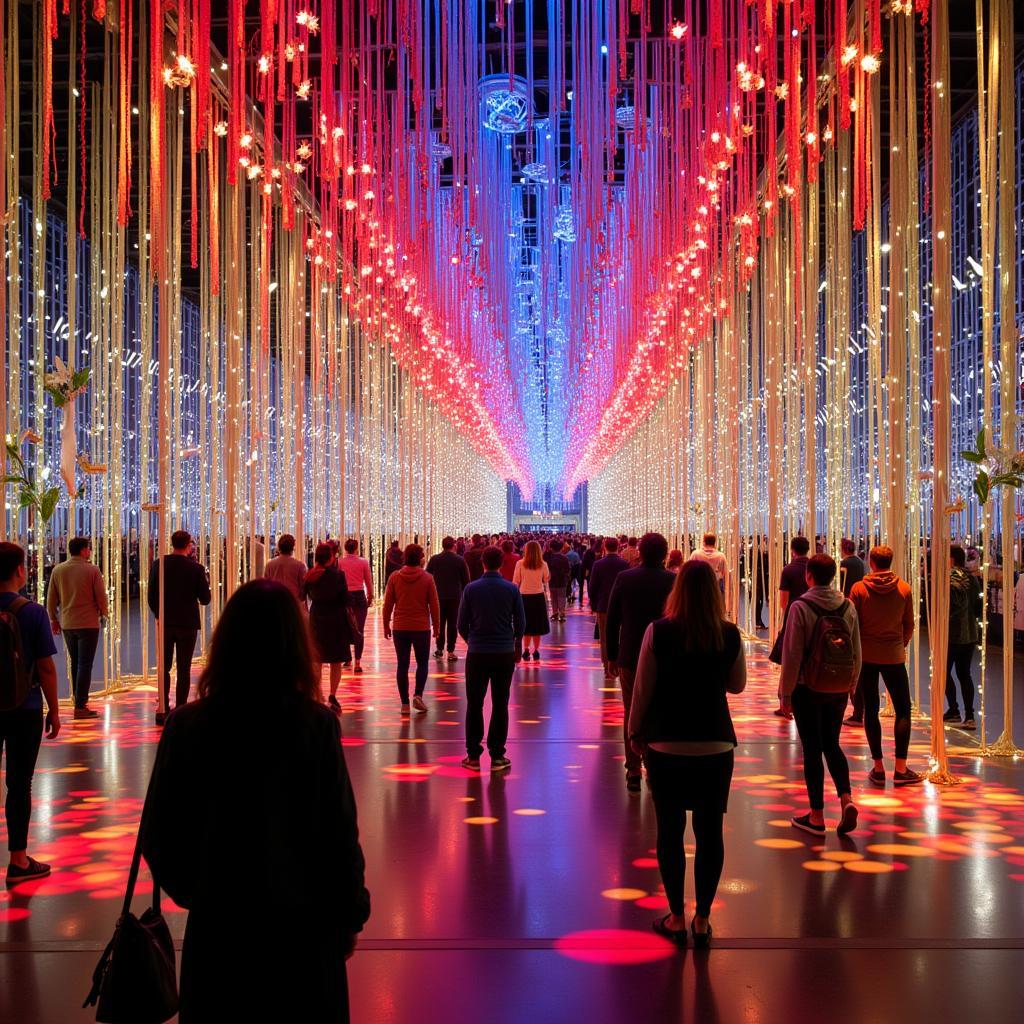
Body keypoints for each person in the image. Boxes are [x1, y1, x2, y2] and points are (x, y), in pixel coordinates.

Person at [142, 579, 370, 1022]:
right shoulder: (314, 724)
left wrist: (200, 890)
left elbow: (159, 831)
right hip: (304, 926)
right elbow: (339, 832)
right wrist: (349, 914)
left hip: (221, 927)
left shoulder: (187, 725)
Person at [628, 560, 746, 949]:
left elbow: (643, 687)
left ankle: (676, 915)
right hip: (715, 742)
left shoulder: (658, 632)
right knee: (710, 832)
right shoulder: (729, 634)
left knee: (670, 831)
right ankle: (704, 919)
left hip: (667, 741)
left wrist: (634, 732)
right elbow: (738, 686)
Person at [779, 554, 861, 836]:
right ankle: (846, 798)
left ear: (808, 576)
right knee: (832, 743)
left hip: (807, 686)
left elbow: (791, 654)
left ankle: (816, 816)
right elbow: (856, 651)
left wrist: (785, 694)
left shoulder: (800, 607)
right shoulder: (847, 605)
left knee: (812, 749)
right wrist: (851, 684)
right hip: (837, 686)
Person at [1, 542, 61, 885]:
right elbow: (46, 668)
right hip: (25, 707)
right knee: (19, 784)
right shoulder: (32, 611)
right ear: (21, 571)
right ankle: (18, 860)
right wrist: (54, 710)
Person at [606, 533, 675, 792]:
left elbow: (612, 621)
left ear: (639, 553)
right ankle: (656, 765)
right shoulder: (673, 580)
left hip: (631, 654)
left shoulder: (626, 578)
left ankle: (633, 768)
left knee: (631, 710)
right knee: (661, 708)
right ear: (665, 554)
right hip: (666, 655)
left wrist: (611, 656)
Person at [849, 546, 922, 785]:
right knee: (903, 710)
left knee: (871, 709)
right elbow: (909, 624)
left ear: (871, 562)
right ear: (891, 561)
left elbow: (853, 623)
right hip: (894, 656)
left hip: (867, 656)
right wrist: (900, 644)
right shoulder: (904, 588)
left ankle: (878, 767)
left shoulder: (858, 589)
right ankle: (901, 768)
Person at [457, 545, 526, 773]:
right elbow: (521, 623)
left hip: (477, 652)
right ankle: (497, 755)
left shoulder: (470, 589)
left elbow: (461, 624)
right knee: (500, 703)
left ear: (483, 563)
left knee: (474, 704)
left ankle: (473, 756)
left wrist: (472, 640)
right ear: (500, 564)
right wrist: (514, 643)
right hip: (503, 652)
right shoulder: (511, 590)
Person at [147, 530, 212, 726]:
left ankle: (163, 707)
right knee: (184, 668)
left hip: (166, 622)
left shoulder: (159, 565)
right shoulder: (196, 569)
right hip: (187, 624)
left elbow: (151, 595)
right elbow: (205, 599)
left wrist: (159, 613)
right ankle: (181, 708)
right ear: (189, 545)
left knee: (163, 668)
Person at [46, 535, 108, 720]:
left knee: (75, 662)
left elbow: (51, 599)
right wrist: (105, 613)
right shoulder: (92, 570)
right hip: (88, 623)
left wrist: (53, 619)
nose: (90, 551)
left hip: (67, 623)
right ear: (83, 550)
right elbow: (101, 597)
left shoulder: (59, 570)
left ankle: (78, 701)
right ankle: (81, 705)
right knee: (85, 664)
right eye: (88, 548)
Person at [382, 544, 441, 714]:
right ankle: (418, 695)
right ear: (421, 558)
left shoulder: (395, 577)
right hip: (421, 627)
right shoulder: (427, 578)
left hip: (400, 626)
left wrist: (386, 624)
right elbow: (434, 605)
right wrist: (436, 626)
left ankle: (404, 704)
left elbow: (388, 604)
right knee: (422, 663)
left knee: (402, 664)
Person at [302, 543, 352, 712]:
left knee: (317, 660)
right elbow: (346, 599)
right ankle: (332, 694)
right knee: (336, 661)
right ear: (331, 557)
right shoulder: (338, 575)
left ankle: (318, 693)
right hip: (336, 619)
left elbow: (302, 596)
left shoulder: (311, 575)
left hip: (317, 619)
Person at [769, 536, 812, 718]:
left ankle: (785, 702)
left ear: (792, 550)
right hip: (814, 617)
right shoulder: (814, 567)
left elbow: (783, 602)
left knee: (789, 658)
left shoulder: (788, 570)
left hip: (793, 617)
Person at [945, 544, 982, 729]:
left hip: (951, 634)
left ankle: (953, 709)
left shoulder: (948, 578)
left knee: (943, 673)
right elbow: (977, 607)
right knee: (964, 674)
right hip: (970, 634)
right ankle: (969, 715)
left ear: (951, 558)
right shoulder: (973, 579)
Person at [589, 537, 629, 677]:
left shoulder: (598, 564)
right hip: (622, 606)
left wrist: (593, 604)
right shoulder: (624, 564)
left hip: (603, 605)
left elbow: (592, 587)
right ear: (618, 546)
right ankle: (618, 665)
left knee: (605, 638)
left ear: (604, 547)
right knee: (620, 635)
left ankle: (607, 667)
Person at [427, 536, 470, 662]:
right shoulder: (460, 560)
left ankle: (439, 649)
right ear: (454, 546)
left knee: (439, 623)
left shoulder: (435, 559)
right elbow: (466, 581)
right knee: (452, 624)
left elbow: (428, 576)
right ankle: (451, 651)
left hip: (438, 596)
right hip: (455, 597)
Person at [338, 539, 374, 674]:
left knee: (345, 627)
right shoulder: (363, 562)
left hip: (345, 596)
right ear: (357, 548)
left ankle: (347, 659)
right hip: (359, 596)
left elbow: (338, 580)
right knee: (359, 630)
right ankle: (357, 662)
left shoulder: (340, 562)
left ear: (346, 548)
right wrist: (370, 596)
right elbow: (368, 581)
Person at [513, 540, 550, 660]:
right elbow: (546, 579)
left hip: (524, 596)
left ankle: (526, 649)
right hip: (538, 596)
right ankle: (536, 650)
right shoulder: (543, 564)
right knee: (537, 626)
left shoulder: (520, 563)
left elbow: (516, 581)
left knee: (526, 625)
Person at [264, 533, 308, 604]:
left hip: (275, 601)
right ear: (293, 547)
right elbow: (303, 588)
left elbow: (266, 584)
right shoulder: (300, 565)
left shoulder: (270, 564)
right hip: (293, 602)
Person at [689, 533, 730, 601]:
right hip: (714, 590)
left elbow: (688, 572)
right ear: (714, 542)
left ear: (703, 542)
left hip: (697, 590)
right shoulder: (721, 556)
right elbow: (725, 575)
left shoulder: (695, 554)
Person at [545, 539, 572, 623]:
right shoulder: (564, 557)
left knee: (553, 597)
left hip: (552, 580)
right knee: (561, 597)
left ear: (551, 548)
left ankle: (555, 612)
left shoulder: (549, 557)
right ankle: (562, 613)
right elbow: (568, 569)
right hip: (562, 580)